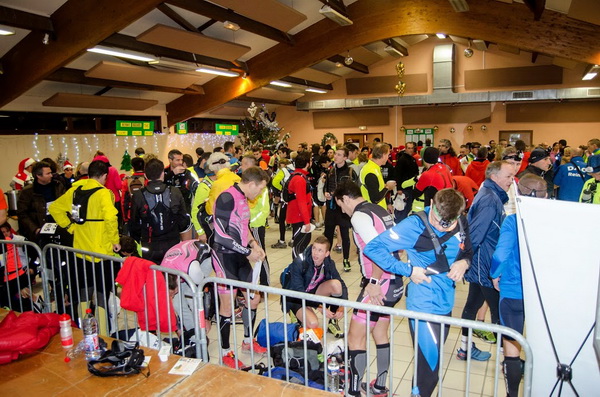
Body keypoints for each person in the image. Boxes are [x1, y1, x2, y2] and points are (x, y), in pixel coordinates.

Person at [364, 189, 472, 397]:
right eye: (440, 222)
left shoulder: (460, 220)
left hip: (446, 302)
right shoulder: (413, 226)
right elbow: (373, 248)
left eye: (449, 224)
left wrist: (464, 262)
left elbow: (469, 248)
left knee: (430, 366)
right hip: (423, 304)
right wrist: (408, 270)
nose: (445, 227)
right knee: (429, 371)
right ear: (431, 203)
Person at [334, 181, 402, 397]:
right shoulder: (379, 209)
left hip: (380, 282)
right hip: (395, 282)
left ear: (345, 199)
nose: (343, 211)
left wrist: (373, 282)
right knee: (380, 333)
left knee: (355, 337)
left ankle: (353, 391)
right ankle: (380, 387)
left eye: (341, 206)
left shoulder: (359, 216)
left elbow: (378, 250)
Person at [491, 174, 547, 397]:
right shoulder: (554, 221)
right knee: (542, 347)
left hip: (513, 291)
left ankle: (512, 394)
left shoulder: (513, 221)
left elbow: (501, 253)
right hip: (543, 294)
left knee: (511, 347)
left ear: (519, 192)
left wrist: (495, 275)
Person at [211, 166, 269, 368]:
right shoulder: (227, 198)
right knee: (227, 305)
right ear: (252, 184)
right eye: (260, 189)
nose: (260, 193)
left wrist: (254, 244)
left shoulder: (244, 198)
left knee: (254, 298)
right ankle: (226, 352)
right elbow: (220, 235)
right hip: (223, 256)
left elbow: (244, 227)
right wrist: (247, 252)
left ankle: (247, 341)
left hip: (239, 255)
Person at [49, 160, 121, 320]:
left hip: (80, 251)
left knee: (83, 290)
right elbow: (111, 218)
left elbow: (54, 208)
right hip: (102, 252)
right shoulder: (104, 193)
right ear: (104, 176)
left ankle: (83, 328)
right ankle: (103, 329)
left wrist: (70, 227)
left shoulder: (74, 191)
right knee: (103, 292)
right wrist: (115, 240)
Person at [458, 161, 515, 361]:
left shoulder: (491, 196)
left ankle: (465, 348)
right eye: (508, 176)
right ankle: (507, 359)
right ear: (494, 177)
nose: (511, 180)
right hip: (484, 263)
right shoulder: (491, 200)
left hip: (481, 261)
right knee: (499, 311)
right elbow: (475, 234)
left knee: (472, 304)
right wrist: (465, 260)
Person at [282, 235, 348, 334]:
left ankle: (333, 321)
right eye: (314, 248)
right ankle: (294, 312)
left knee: (336, 285)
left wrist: (342, 306)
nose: (315, 253)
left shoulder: (329, 263)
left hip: (313, 293)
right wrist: (319, 306)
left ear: (327, 253)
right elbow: (298, 290)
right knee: (313, 324)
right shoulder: (300, 262)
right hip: (296, 298)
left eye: (320, 250)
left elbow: (341, 284)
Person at [129, 158, 190, 264]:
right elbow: (183, 220)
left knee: (153, 277)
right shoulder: (175, 192)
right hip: (173, 244)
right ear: (163, 173)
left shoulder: (138, 195)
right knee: (172, 275)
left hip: (149, 245)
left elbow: (134, 224)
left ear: (146, 176)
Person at [17, 161, 68, 247]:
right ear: (38, 176)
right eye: (48, 173)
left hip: (59, 228)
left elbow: (66, 205)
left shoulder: (58, 186)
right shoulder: (27, 192)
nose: (51, 175)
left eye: (51, 173)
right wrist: (35, 229)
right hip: (40, 233)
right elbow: (22, 214)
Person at [323, 147, 358, 272]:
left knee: (344, 235)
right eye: (335, 154)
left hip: (344, 209)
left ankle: (346, 259)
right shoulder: (330, 171)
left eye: (339, 155)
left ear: (345, 157)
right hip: (331, 208)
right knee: (328, 235)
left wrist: (338, 194)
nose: (336, 157)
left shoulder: (350, 172)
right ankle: (326, 260)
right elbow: (325, 187)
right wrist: (326, 193)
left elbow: (354, 190)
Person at [285, 151, 313, 260]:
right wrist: (307, 222)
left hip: (299, 216)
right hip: (299, 217)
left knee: (302, 243)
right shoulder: (299, 179)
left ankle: (299, 267)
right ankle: (297, 269)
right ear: (307, 163)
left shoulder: (298, 176)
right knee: (299, 245)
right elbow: (301, 202)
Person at [359, 143, 396, 210]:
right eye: (388, 155)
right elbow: (375, 199)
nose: (388, 157)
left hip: (377, 209)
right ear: (384, 155)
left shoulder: (375, 168)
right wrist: (388, 187)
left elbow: (378, 189)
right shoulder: (370, 171)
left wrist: (387, 203)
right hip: (372, 210)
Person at [394, 142, 419, 221]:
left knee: (408, 207)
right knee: (402, 208)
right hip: (404, 188)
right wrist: (399, 188)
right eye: (409, 148)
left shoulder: (412, 159)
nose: (411, 150)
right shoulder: (402, 160)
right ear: (405, 148)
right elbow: (398, 174)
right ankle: (400, 222)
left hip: (411, 187)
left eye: (412, 148)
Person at [164, 149, 194, 213]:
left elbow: (190, 188)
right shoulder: (165, 172)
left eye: (181, 160)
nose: (180, 162)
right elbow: (161, 184)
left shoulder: (187, 173)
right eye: (177, 160)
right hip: (167, 206)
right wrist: (172, 173)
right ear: (170, 160)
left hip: (183, 207)